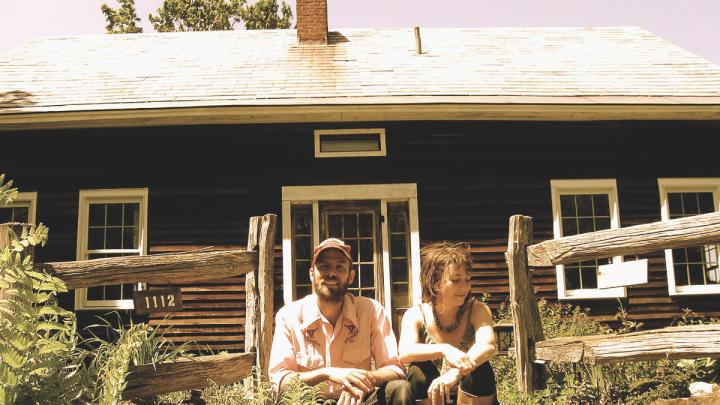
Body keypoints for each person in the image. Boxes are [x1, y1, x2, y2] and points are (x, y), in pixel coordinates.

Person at [269, 238, 412, 405]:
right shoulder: (289, 316)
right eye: (324, 267)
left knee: (399, 388)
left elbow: (395, 369)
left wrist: (361, 381)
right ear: (311, 274)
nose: (331, 273)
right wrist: (327, 373)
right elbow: (280, 382)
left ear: (350, 276)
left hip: (359, 400)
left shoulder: (371, 311)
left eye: (340, 267)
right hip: (310, 401)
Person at [398, 242, 498, 405]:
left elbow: (488, 346)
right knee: (417, 371)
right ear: (435, 283)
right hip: (432, 396)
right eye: (455, 280)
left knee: (479, 368)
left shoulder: (477, 310)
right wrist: (445, 349)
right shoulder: (416, 314)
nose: (464, 287)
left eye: (467, 279)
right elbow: (405, 352)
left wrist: (457, 372)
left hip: (471, 395)